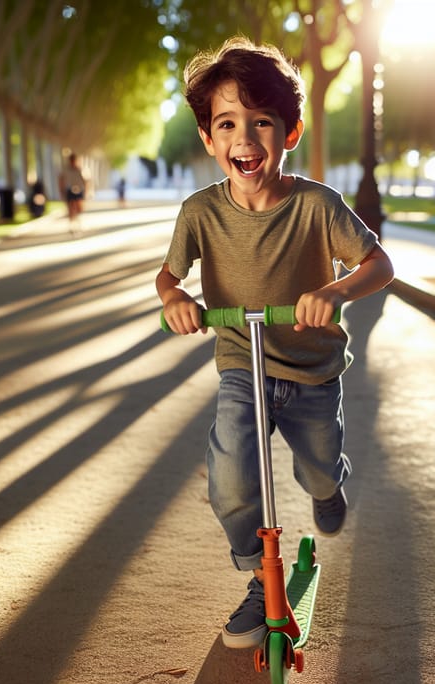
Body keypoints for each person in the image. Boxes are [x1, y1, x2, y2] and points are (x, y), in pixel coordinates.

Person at [155, 37, 394, 650]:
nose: (244, 138)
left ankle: (328, 485)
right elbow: (169, 274)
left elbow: (379, 264)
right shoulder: (199, 213)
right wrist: (175, 299)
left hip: (313, 369)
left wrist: (336, 293)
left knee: (316, 467)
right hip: (243, 362)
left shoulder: (318, 205)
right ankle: (260, 579)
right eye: (227, 123)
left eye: (261, 122)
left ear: (288, 132)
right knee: (231, 477)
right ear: (209, 139)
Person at [58, 153, 86, 231]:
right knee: (70, 208)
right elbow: (61, 180)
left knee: (79, 208)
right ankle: (72, 225)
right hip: (69, 190)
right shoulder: (65, 170)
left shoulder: (80, 169)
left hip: (79, 190)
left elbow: (85, 181)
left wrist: (86, 191)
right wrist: (61, 190)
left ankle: (77, 221)